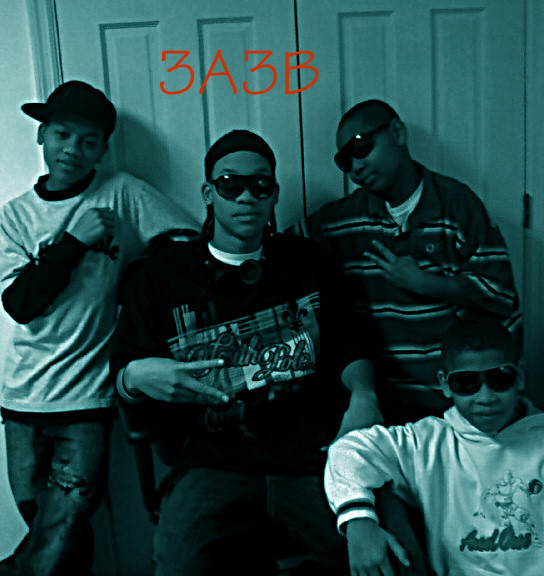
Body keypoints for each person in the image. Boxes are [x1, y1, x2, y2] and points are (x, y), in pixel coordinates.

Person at [111, 129, 380, 575]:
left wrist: (365, 395)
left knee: (378, 556)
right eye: (230, 184)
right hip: (214, 460)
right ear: (208, 194)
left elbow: (351, 342)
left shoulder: (309, 262)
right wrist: (136, 377)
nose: (246, 196)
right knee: (177, 566)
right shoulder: (164, 274)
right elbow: (123, 370)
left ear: (274, 194)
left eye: (260, 185)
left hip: (311, 456)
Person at [0, 80, 193, 576]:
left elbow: (187, 246)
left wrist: (134, 284)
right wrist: (74, 241)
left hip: (87, 397)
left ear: (102, 149)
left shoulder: (121, 192)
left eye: (88, 141)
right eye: (62, 135)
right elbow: (21, 304)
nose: (72, 149)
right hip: (22, 398)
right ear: (42, 135)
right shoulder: (14, 217)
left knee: (63, 522)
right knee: (52, 528)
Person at [292, 99, 521, 425]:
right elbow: (278, 246)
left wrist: (426, 283)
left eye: (361, 147)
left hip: (455, 400)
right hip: (384, 404)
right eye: (344, 160)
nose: (355, 166)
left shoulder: (456, 206)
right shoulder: (343, 220)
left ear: (398, 133)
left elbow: (501, 294)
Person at [325, 318, 544, 576]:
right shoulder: (426, 443)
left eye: (500, 378)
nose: (485, 397)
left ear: (519, 376)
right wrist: (358, 520)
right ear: (445, 384)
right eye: (466, 382)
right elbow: (348, 451)